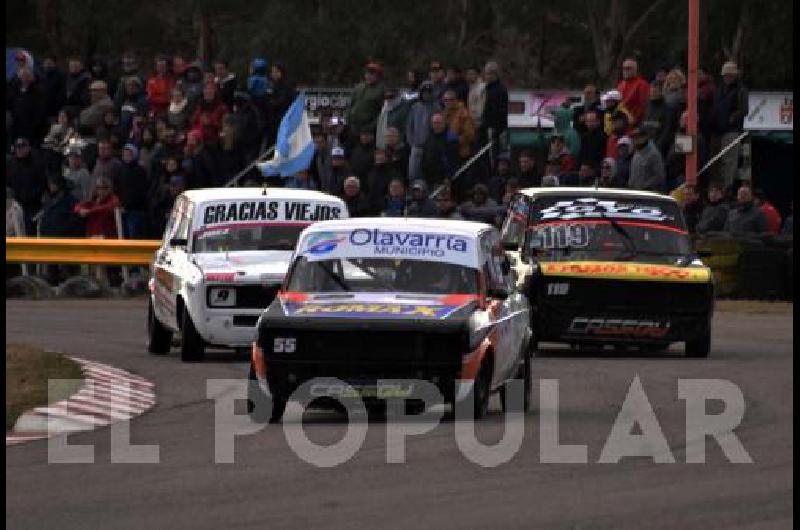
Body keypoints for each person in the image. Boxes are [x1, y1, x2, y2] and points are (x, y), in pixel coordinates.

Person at [710, 61, 747, 189]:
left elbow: (744, 110)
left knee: (729, 163)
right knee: (716, 164)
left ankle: (727, 189)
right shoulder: (719, 90)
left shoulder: (741, 90)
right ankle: (716, 190)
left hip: (732, 130)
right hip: (717, 131)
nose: (728, 77)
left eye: (730, 75)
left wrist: (732, 119)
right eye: (726, 75)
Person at [7, 138, 46, 232]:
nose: (20, 149)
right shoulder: (11, 164)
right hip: (15, 205)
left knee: (30, 230)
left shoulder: (36, 163)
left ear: (28, 148)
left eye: (22, 147)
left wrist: (32, 196)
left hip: (33, 205)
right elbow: (8, 183)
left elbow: (42, 183)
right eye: (18, 147)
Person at [346, 61, 386, 148]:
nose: (369, 76)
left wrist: (371, 127)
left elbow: (382, 113)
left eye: (372, 73)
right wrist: (348, 119)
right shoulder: (358, 87)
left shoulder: (381, 90)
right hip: (353, 128)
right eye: (367, 73)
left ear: (378, 76)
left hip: (368, 131)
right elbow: (351, 105)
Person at [406, 80, 440, 180]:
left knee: (427, 173)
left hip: (430, 147)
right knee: (412, 174)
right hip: (416, 146)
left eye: (429, 92)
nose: (427, 95)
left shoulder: (436, 108)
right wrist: (411, 141)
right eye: (424, 92)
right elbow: (409, 126)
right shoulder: (415, 107)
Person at [114, 144, 149, 239]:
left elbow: (140, 191)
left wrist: (128, 204)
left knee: (134, 234)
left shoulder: (140, 171)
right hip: (123, 208)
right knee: (123, 234)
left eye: (129, 154)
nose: (126, 156)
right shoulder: (121, 170)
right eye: (125, 154)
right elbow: (118, 187)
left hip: (135, 209)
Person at [7, 67, 46, 144]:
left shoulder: (37, 91)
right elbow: (10, 104)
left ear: (31, 77)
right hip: (16, 125)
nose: (24, 78)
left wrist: (33, 125)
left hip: (30, 127)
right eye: (22, 75)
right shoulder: (15, 89)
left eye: (26, 75)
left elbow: (40, 111)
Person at [480, 61, 509, 164]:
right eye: (485, 73)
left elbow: (499, 111)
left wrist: (492, 126)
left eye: (488, 74)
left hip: (495, 129)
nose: (486, 76)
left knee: (495, 155)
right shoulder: (488, 89)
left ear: (494, 74)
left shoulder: (499, 90)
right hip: (488, 127)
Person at [420, 112, 456, 190]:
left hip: (442, 179)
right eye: (435, 123)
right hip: (429, 178)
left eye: (439, 123)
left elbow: (452, 158)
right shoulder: (429, 137)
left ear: (444, 123)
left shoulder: (450, 137)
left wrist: (448, 176)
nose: (437, 125)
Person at [642, 80, 678, 158]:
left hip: (659, 150)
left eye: (656, 91)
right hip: (645, 148)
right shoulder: (647, 108)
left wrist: (657, 147)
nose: (653, 93)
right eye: (652, 91)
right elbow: (643, 127)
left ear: (661, 92)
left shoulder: (667, 109)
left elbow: (667, 131)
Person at [191, 81, 229, 148]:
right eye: (206, 89)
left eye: (210, 89)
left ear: (215, 92)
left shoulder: (222, 108)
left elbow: (226, 126)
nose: (208, 91)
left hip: (216, 141)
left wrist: (210, 122)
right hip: (200, 141)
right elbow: (194, 123)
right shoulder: (199, 107)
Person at [628, 127, 665, 193]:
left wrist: (644, 186)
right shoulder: (636, 152)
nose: (636, 139)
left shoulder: (654, 154)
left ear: (646, 137)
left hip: (649, 194)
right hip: (635, 192)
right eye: (634, 137)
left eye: (639, 137)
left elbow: (659, 176)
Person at [366, 148, 401, 215]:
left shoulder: (393, 173)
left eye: (381, 155)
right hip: (371, 207)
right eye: (377, 155)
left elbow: (394, 191)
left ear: (387, 158)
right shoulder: (371, 172)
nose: (379, 157)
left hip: (387, 207)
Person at [617, 58, 650, 127]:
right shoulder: (621, 84)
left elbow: (644, 106)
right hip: (620, 123)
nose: (625, 71)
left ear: (635, 70)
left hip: (635, 123)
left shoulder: (642, 84)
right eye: (624, 68)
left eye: (628, 68)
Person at [466, 66, 486, 131]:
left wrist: (480, 119)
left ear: (477, 74)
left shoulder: (482, 87)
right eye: (468, 74)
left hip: (480, 121)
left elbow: (483, 105)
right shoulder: (470, 88)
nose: (469, 76)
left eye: (472, 74)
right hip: (471, 121)